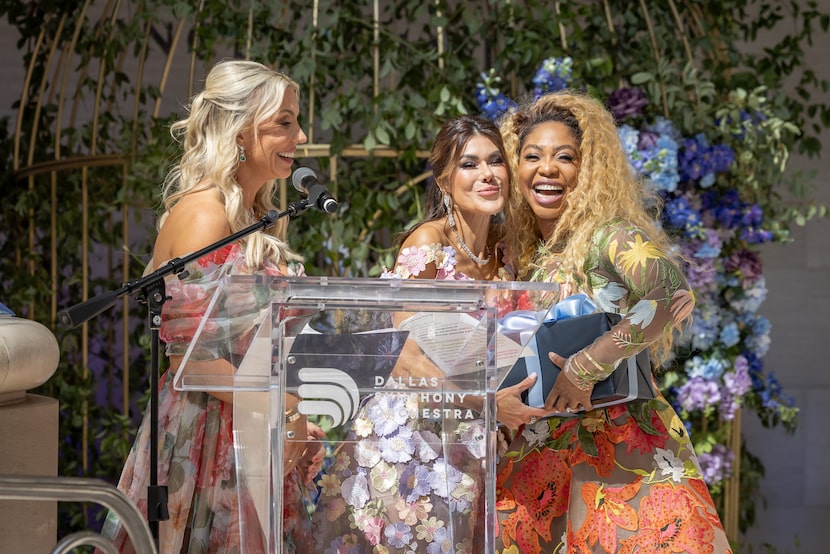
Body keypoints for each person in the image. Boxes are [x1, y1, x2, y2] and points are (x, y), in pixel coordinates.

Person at [100, 59, 324, 553]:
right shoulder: (206, 212)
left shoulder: (255, 215)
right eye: (284, 122)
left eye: (297, 120)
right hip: (207, 437)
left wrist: (296, 414)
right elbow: (192, 359)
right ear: (241, 131)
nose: (301, 135)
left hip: (252, 423)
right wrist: (287, 410)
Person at [495, 91, 733, 554]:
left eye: (565, 157)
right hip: (540, 452)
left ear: (588, 170)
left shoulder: (609, 235)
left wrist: (586, 365)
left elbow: (670, 294)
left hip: (618, 446)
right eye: (532, 156)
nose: (547, 169)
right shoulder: (527, 255)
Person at [311, 115, 547, 552]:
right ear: (443, 180)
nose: (488, 174)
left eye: (496, 161)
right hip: (414, 437)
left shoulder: (509, 251)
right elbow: (406, 357)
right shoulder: (428, 242)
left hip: (477, 435)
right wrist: (487, 401)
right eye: (470, 164)